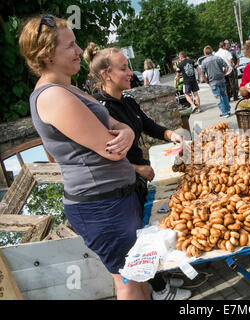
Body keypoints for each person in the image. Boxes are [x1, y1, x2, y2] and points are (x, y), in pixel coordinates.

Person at [19, 15, 148, 299]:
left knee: (138, 273)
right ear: (47, 55)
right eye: (71, 46)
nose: (79, 51)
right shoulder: (52, 96)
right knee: (127, 281)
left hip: (116, 199)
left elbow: (115, 125)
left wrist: (124, 129)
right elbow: (112, 149)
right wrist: (123, 134)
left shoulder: (69, 88)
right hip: (101, 206)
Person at [83, 43, 191, 300]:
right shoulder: (101, 109)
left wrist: (170, 134)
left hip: (136, 181)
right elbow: (100, 156)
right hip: (121, 185)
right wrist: (138, 169)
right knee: (137, 240)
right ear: (106, 75)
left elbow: (147, 124)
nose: (130, 72)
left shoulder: (128, 100)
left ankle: (159, 278)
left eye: (129, 67)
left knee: (145, 232)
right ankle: (160, 290)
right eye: (123, 68)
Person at [201, 45, 232, 118]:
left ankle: (224, 113)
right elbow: (227, 66)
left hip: (213, 81)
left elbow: (203, 74)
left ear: (205, 53)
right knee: (224, 95)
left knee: (218, 97)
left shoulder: (204, 62)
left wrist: (206, 81)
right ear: (211, 51)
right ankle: (228, 110)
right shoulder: (218, 58)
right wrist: (223, 73)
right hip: (221, 79)